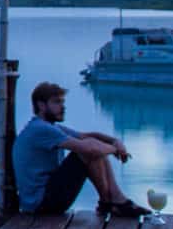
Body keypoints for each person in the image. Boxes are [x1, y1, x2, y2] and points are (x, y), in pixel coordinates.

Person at [13, 81, 147, 217]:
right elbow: (90, 149)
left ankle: (113, 201)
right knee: (88, 152)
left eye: (62, 102)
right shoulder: (41, 129)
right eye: (57, 102)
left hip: (45, 199)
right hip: (40, 204)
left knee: (91, 146)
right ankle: (112, 202)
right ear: (41, 105)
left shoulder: (51, 127)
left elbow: (88, 136)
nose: (63, 107)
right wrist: (115, 150)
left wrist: (115, 141)